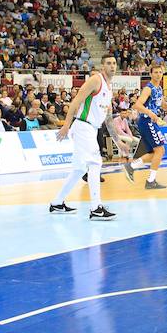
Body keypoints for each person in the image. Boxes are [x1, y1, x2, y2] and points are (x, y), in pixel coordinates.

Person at [49, 54, 125, 220]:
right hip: (83, 126)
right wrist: (66, 125)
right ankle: (96, 208)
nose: (112, 66)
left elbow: (108, 119)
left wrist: (118, 141)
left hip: (92, 129)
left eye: (114, 63)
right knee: (95, 162)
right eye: (109, 63)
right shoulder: (95, 80)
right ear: (102, 66)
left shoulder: (109, 88)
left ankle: (56, 202)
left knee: (79, 169)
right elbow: (76, 102)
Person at [125, 63, 167, 189]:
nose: (158, 74)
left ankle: (131, 167)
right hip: (147, 121)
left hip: (151, 122)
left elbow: (163, 104)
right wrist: (151, 113)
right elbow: (137, 105)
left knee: (155, 152)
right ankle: (150, 181)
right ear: (151, 74)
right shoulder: (148, 88)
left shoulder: (159, 89)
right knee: (160, 150)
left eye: (160, 72)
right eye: (156, 72)